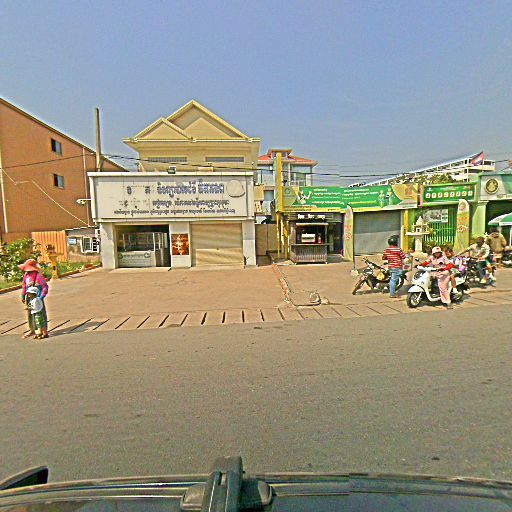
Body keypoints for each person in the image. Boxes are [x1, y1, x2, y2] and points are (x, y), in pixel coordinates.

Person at [19, 259, 49, 339]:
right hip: (29, 298)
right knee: (31, 314)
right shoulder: (26, 275)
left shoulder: (38, 276)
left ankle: (44, 331)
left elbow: (45, 287)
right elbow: (24, 285)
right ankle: (33, 329)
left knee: (40, 314)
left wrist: (41, 297)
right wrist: (23, 295)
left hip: (38, 298)